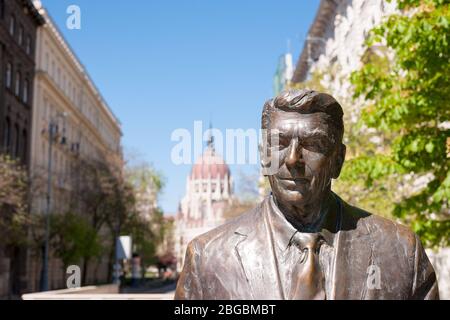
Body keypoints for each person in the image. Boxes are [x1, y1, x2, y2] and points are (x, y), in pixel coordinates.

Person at [174, 89, 439, 300]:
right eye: (278, 143)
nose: (292, 159)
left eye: (313, 144)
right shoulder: (206, 257)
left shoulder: (400, 250)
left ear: (338, 160)